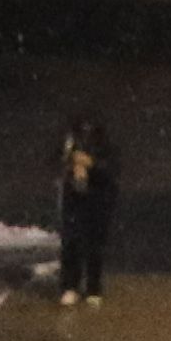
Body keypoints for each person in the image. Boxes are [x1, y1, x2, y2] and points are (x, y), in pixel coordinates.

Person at [53, 121, 120, 306]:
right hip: (74, 198)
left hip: (97, 198)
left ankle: (93, 287)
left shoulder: (104, 146)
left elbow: (110, 170)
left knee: (94, 243)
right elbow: (57, 162)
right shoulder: (69, 143)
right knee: (71, 242)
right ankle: (70, 286)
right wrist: (70, 164)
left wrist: (91, 164)